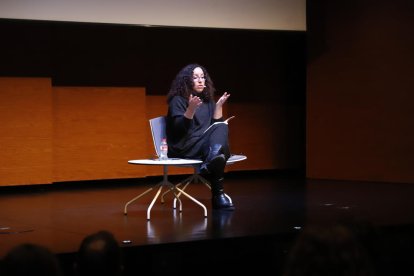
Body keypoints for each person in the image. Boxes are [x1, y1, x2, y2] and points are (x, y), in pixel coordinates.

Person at [166, 63, 234, 211]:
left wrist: (218, 107)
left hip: (203, 146)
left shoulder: (207, 101)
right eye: (195, 77)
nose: (200, 80)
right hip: (184, 146)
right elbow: (178, 131)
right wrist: (190, 109)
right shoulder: (177, 100)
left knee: (221, 128)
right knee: (220, 151)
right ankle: (218, 195)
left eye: (203, 77)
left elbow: (214, 127)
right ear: (186, 81)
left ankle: (212, 159)